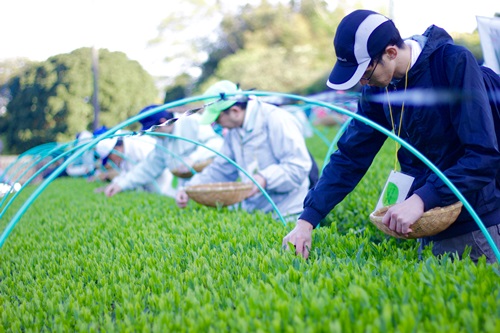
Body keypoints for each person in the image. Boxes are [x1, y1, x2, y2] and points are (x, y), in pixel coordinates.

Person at [283, 9, 500, 263]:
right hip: (425, 224)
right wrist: (307, 219)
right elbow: (350, 156)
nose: (363, 82)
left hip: (475, 227)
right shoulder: (378, 90)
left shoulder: (452, 64)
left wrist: (421, 198)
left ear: (391, 53)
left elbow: (483, 155)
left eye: (366, 72)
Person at [175, 80, 313, 219]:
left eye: (217, 119)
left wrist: (265, 178)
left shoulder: (276, 119)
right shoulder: (233, 132)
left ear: (235, 111)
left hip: (288, 210)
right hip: (256, 210)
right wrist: (189, 188)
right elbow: (221, 168)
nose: (217, 124)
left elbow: (298, 166)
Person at [102, 104, 224, 198]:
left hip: (214, 182)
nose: (152, 135)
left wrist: (193, 158)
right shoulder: (163, 141)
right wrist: (121, 184)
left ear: (162, 123)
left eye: (153, 130)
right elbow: (148, 167)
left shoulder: (191, 121)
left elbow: (216, 143)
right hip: (187, 189)